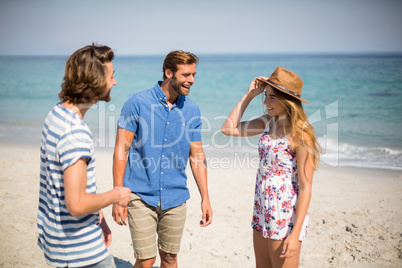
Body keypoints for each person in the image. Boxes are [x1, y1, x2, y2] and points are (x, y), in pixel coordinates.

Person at [112, 50, 213, 268]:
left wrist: (205, 197)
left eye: (194, 74)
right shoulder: (137, 103)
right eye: (186, 75)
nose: (192, 80)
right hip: (140, 194)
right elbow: (122, 149)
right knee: (146, 259)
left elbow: (197, 157)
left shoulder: (192, 110)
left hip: (175, 197)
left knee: (170, 258)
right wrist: (118, 194)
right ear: (169, 72)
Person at [37, 43, 132, 267]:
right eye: (112, 76)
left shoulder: (57, 114)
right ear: (96, 80)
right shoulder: (75, 133)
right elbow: (77, 204)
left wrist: (98, 214)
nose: (115, 82)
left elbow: (67, 186)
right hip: (81, 252)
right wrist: (116, 195)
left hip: (58, 244)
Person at [221, 67, 321, 267]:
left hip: (283, 213)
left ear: (287, 100)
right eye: (265, 96)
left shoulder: (301, 135)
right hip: (262, 207)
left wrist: (295, 233)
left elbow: (305, 187)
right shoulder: (269, 122)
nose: (265, 102)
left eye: (272, 97)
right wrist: (249, 95)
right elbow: (228, 128)